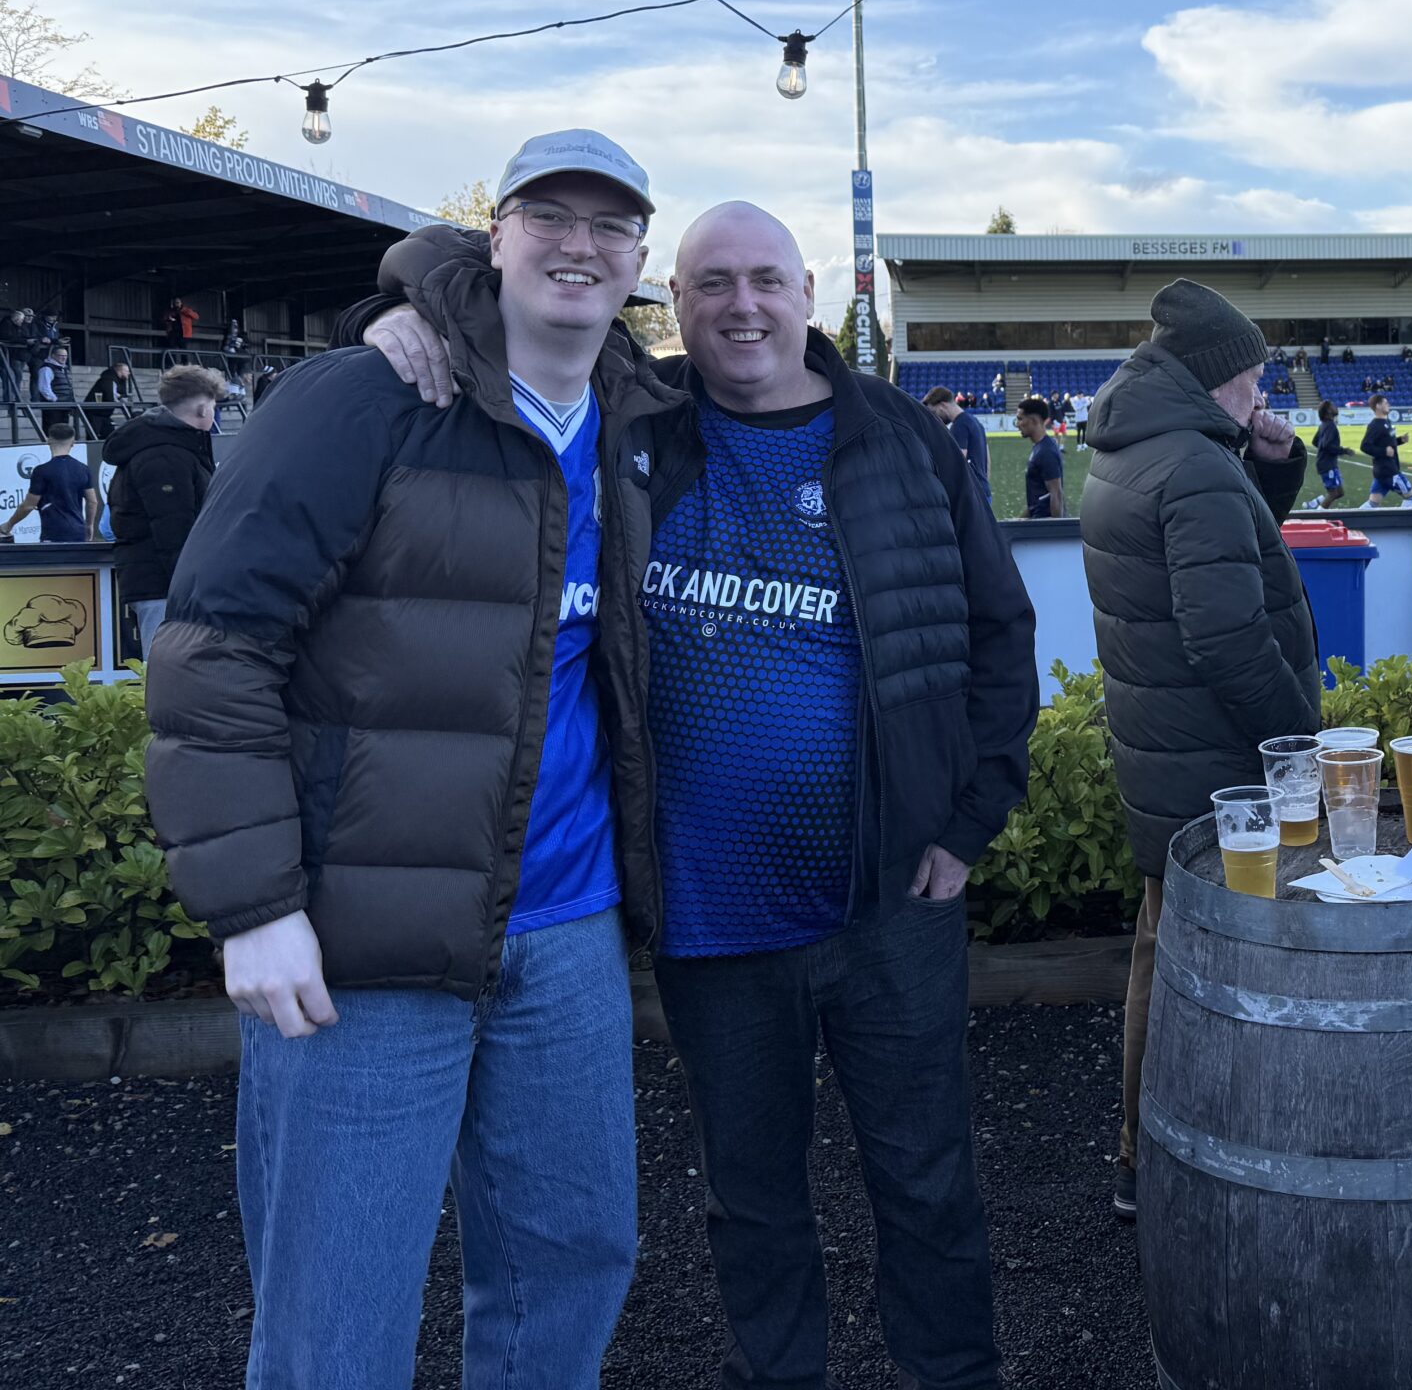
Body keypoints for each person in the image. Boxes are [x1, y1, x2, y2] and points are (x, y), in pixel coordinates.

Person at [356, 200, 1040, 1390]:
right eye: (711, 282)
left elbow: (998, 635)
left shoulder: (900, 437)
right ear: (672, 301)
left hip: (889, 895)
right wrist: (396, 307)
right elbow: (502, 274)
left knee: (927, 1179)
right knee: (752, 1195)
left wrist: (967, 824)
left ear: (810, 291)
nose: (742, 305)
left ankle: (954, 1374)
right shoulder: (635, 420)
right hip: (711, 912)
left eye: (765, 278)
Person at [144, 130, 680, 1389]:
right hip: (365, 943)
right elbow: (214, 654)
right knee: (338, 1318)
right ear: (496, 237)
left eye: (609, 225)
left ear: (637, 259)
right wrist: (255, 908)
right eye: (548, 216)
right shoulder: (365, 398)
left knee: (571, 1268)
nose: (579, 245)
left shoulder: (643, 422)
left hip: (568, 934)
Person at [1079, 279, 1317, 1223]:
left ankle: (1141, 1154)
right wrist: (1297, 746)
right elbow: (1226, 635)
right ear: (1220, 374)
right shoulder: (1193, 464)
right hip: (1218, 764)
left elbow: (1222, 555)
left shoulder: (1145, 446)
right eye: (1256, 374)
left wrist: (1272, 468)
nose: (1263, 390)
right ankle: (1179, 1159)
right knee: (1208, 964)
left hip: (1165, 748)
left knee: (1163, 946)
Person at [103, 363, 221, 660]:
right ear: (202, 408)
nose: (214, 413)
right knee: (166, 669)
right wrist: (192, 588)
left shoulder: (169, 448)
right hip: (164, 586)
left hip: (165, 584)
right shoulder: (164, 454)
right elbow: (173, 528)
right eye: (213, 406)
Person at [3, 417, 97, 543]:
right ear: (73, 442)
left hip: (53, 533)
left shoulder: (42, 471)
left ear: (48, 440)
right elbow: (92, 501)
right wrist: (89, 525)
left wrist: (9, 524)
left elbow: (28, 505)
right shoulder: (83, 469)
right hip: (77, 531)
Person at [924, 385, 994, 504]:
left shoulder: (959, 426)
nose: (935, 418)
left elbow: (957, 464)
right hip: (983, 492)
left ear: (943, 405)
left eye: (934, 412)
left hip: (970, 496)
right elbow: (987, 460)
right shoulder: (975, 422)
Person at [1017, 395, 1066, 517]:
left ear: (1034, 420)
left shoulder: (1046, 452)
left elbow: (1056, 494)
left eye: (1020, 419)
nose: (1017, 424)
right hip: (1037, 520)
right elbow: (1038, 499)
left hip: (1043, 523)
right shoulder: (1040, 447)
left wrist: (1056, 526)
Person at [1361, 396, 1412, 507]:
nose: (1388, 405)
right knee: (1410, 498)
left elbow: (1388, 443)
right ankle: (1400, 519)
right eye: (1385, 403)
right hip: (1389, 471)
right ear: (1378, 406)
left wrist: (1400, 440)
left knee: (1373, 504)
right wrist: (1383, 451)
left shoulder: (1387, 422)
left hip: (1381, 473)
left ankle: (1354, 518)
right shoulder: (1375, 425)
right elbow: (1365, 446)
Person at [1303, 399, 1346, 510]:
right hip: (1327, 465)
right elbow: (1327, 445)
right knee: (1334, 493)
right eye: (1332, 406)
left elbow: (1315, 442)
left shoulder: (1324, 425)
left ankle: (1314, 503)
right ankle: (1318, 513)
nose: (1335, 407)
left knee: (1340, 492)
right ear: (1328, 411)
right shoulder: (1330, 426)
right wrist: (1343, 450)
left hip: (1327, 463)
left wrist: (1323, 450)